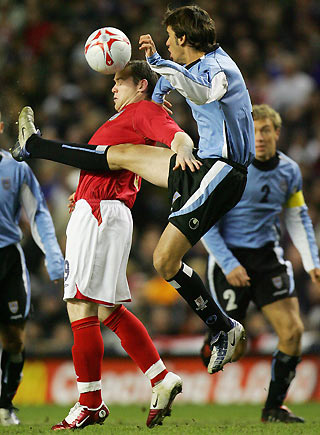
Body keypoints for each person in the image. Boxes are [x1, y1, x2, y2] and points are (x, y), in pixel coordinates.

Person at [12, 5, 255, 375]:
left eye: (171, 39)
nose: (167, 45)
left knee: (154, 258)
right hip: (203, 167)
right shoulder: (180, 70)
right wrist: (159, 98)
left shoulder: (220, 67)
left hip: (221, 169)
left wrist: (163, 75)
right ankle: (222, 328)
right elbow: (162, 101)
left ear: (183, 38)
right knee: (159, 250)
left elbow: (208, 93)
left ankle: (222, 329)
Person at [200, 104, 320, 423]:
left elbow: (297, 216)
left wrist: (311, 261)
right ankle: (212, 341)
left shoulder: (290, 171)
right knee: (235, 349)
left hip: (267, 257)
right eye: (254, 131)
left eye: (266, 130)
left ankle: (273, 408)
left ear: (277, 133)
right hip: (230, 258)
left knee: (293, 331)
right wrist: (227, 264)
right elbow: (205, 223)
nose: (260, 137)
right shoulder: (231, 169)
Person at [0, 111, 64, 426]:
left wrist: (52, 253)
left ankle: (5, 404)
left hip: (7, 261)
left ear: (0, 128)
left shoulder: (15, 169)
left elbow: (38, 212)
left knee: (14, 337)